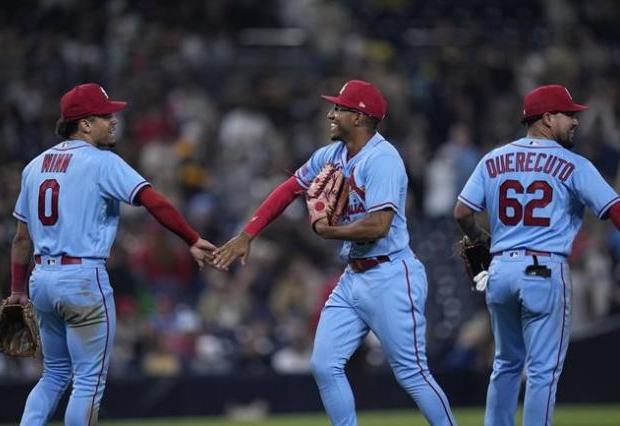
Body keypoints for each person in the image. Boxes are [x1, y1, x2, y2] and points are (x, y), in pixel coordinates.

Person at [214, 80, 457, 426]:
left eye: (339, 108)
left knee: (411, 373)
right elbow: (288, 189)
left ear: (359, 117)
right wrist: (247, 234)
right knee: (324, 364)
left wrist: (330, 231)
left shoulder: (383, 159)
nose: (331, 113)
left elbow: (379, 226)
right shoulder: (331, 155)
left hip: (391, 274)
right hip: (353, 275)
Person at [9, 83, 217, 425]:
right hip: (82, 279)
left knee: (53, 375)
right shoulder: (102, 162)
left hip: (41, 278)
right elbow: (155, 201)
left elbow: (20, 239)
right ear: (85, 124)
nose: (113, 121)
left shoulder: (34, 166)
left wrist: (17, 290)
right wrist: (191, 237)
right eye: (105, 116)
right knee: (88, 382)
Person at [453, 84, 620, 426]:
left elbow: (461, 212)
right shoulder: (574, 164)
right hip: (544, 270)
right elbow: (615, 211)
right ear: (546, 119)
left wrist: (478, 237)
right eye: (568, 114)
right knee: (542, 370)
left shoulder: (493, 159)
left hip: (499, 272)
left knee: (505, 364)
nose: (575, 121)